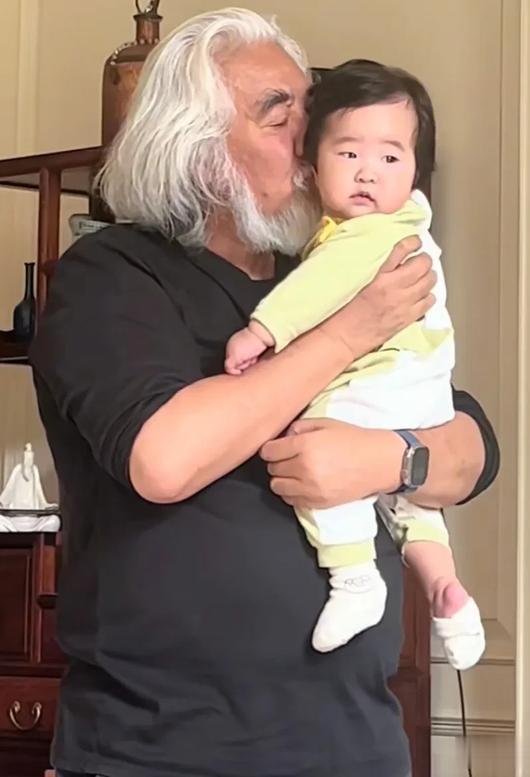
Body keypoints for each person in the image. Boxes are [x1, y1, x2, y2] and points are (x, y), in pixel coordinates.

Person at [30, 9, 499, 777]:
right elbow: (164, 458)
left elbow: (472, 447)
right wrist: (348, 332)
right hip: (162, 753)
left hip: (357, 746)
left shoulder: (328, 269)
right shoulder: (111, 275)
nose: (315, 143)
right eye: (281, 118)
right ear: (198, 149)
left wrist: (389, 459)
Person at [226, 59, 485, 668]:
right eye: (349, 154)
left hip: (379, 384)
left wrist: (262, 330)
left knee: (317, 451)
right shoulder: (404, 227)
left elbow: (317, 288)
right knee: (413, 503)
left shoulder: (366, 236)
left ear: (416, 170)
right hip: (422, 391)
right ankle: (445, 586)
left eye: (391, 157)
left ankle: (354, 578)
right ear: (312, 165)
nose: (369, 172)